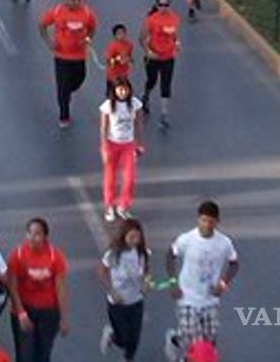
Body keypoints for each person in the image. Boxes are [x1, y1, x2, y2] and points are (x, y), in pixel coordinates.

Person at [164, 200, 239, 361]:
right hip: (187, 298)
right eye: (203, 220)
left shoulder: (224, 243)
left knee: (209, 344)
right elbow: (170, 255)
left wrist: (223, 283)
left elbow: (234, 264)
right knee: (196, 344)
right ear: (198, 219)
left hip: (210, 300)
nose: (207, 225)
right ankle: (184, 350)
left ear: (217, 221)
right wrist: (173, 282)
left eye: (211, 221)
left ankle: (176, 340)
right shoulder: (187, 239)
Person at [6, 217, 69, 362]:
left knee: (43, 353)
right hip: (25, 309)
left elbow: (61, 288)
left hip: (48, 312)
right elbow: (12, 287)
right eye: (30, 233)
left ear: (45, 236)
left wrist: (63, 318)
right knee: (25, 354)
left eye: (37, 234)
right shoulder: (18, 255)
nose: (32, 237)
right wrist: (21, 313)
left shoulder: (55, 257)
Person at [37, 0, 98, 127]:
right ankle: (64, 115)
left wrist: (88, 39)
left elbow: (92, 28)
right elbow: (42, 25)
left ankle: (67, 92)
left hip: (79, 56)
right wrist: (49, 42)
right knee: (62, 87)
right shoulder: (58, 11)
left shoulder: (87, 13)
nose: (76, 2)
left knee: (79, 80)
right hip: (62, 56)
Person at [98, 217, 151, 361]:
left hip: (136, 301)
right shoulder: (114, 254)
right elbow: (102, 272)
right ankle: (112, 335)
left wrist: (146, 283)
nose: (135, 240)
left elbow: (146, 271)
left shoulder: (141, 253)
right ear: (124, 236)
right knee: (123, 338)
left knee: (134, 339)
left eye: (137, 237)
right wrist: (111, 291)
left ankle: (128, 359)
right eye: (131, 237)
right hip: (118, 303)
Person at [100, 77, 144, 220]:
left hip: (128, 145)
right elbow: (103, 128)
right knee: (110, 177)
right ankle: (110, 206)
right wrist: (103, 147)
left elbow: (138, 124)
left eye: (125, 89)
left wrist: (139, 143)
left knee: (129, 178)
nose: (123, 92)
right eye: (120, 89)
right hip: (112, 144)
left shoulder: (135, 104)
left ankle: (123, 206)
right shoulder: (108, 106)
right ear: (114, 91)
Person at [139, 0, 180, 128]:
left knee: (166, 85)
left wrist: (176, 43)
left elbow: (174, 34)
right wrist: (148, 52)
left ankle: (164, 114)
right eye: (161, 5)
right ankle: (146, 95)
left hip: (168, 57)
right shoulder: (151, 20)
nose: (164, 7)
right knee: (152, 80)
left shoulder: (174, 18)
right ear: (157, 6)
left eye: (166, 5)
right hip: (154, 56)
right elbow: (141, 38)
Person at [104, 24, 135, 100]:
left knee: (127, 93)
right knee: (114, 94)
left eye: (123, 33)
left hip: (124, 74)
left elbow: (130, 57)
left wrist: (129, 60)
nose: (122, 35)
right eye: (119, 33)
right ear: (115, 35)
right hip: (113, 75)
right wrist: (116, 60)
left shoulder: (129, 45)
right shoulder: (112, 46)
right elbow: (108, 61)